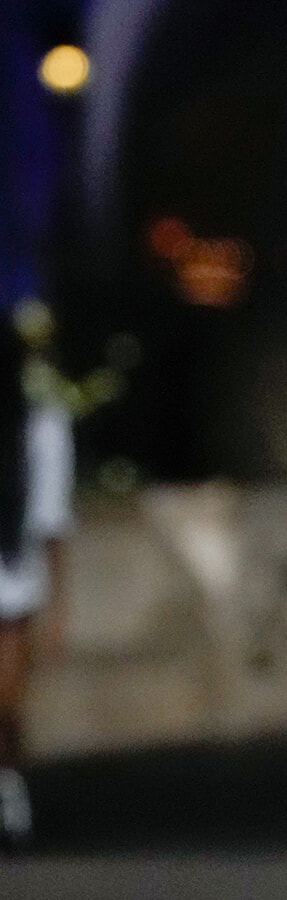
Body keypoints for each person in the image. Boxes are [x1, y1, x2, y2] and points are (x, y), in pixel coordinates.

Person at [0, 314, 74, 850]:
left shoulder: (40, 426)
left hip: (13, 591)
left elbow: (52, 524)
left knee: (5, 704)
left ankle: (9, 790)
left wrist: (60, 609)